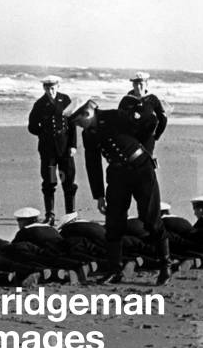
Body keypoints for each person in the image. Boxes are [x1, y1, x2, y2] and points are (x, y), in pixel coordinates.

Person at [68, 98, 172, 286]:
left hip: (141, 169)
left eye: (78, 121)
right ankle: (114, 270)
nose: (78, 126)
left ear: (86, 113)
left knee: (150, 219)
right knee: (114, 223)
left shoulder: (114, 116)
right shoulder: (88, 134)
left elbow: (149, 122)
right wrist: (98, 195)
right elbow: (92, 164)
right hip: (117, 175)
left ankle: (166, 264)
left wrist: (147, 145)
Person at [27, 75, 78, 224]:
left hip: (65, 149)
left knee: (68, 180)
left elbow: (72, 123)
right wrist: (43, 133)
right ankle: (50, 215)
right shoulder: (40, 104)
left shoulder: (65, 100)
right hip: (48, 151)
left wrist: (73, 145)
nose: (50, 91)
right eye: (47, 88)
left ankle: (71, 214)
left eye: (53, 87)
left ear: (58, 86)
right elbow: (32, 126)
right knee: (49, 181)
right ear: (44, 88)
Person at [118, 72, 167, 157]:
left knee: (147, 164)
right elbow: (119, 120)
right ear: (133, 85)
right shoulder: (126, 100)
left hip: (147, 139)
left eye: (141, 84)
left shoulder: (152, 99)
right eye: (136, 84)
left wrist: (156, 135)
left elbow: (163, 118)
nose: (138, 87)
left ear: (146, 84)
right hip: (131, 139)